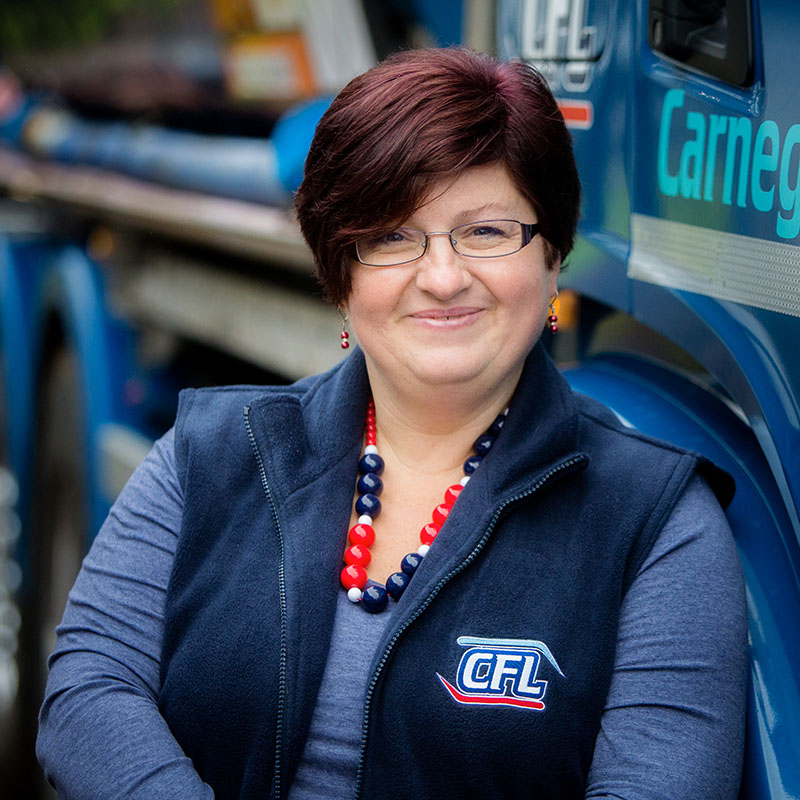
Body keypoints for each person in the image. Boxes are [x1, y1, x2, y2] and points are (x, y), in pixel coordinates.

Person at [37, 48, 747, 799]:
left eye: (486, 232)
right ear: (340, 273)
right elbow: (88, 690)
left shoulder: (655, 521)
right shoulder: (210, 453)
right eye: (393, 237)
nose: (442, 277)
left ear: (554, 256)